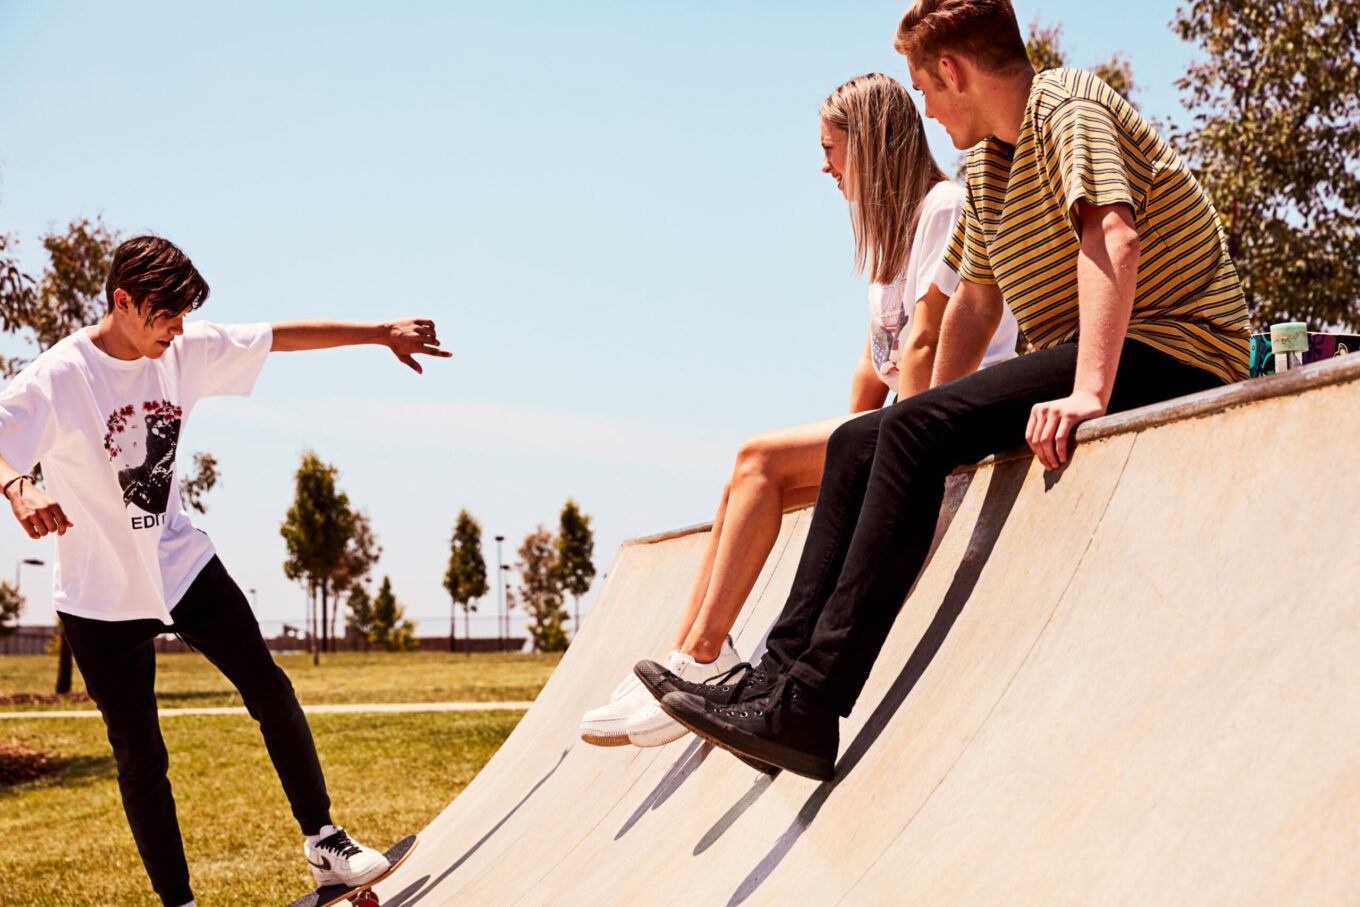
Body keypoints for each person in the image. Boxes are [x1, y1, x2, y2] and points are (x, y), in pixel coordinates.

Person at [640, 0, 1251, 780]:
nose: (923, 107)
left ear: (954, 72)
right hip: (1101, 350)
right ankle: (773, 681)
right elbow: (974, 302)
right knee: (866, 437)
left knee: (909, 432)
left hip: (1176, 345)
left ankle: (812, 703)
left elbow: (1114, 234)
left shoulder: (1067, 105)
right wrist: (928, 418)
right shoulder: (990, 164)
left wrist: (1091, 392)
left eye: (923, 89)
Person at [0, 235, 452, 907]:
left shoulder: (182, 351)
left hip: (181, 565)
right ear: (123, 302)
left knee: (268, 688)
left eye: (185, 316)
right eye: (166, 315)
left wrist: (379, 332)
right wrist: (18, 487)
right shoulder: (61, 376)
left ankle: (325, 840)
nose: (179, 330)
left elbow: (281, 335)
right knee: (141, 757)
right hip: (99, 595)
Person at [580, 73, 1019, 748]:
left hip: (941, 429)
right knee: (744, 476)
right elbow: (874, 363)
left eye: (831, 149)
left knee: (761, 456)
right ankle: (687, 650)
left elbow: (929, 343)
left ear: (870, 148)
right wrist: (846, 459)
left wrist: (904, 446)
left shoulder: (944, 207)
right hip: (896, 427)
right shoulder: (893, 241)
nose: (824, 167)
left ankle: (704, 656)